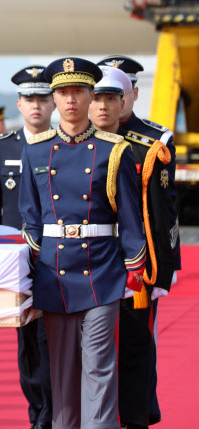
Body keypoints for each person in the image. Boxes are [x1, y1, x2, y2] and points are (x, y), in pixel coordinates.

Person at [19, 57, 147, 429]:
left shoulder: (114, 150)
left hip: (102, 271)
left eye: (78, 91)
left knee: (99, 368)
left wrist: (134, 267)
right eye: (62, 92)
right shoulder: (36, 151)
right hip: (54, 272)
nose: (70, 100)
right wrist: (30, 268)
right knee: (60, 372)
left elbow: (130, 219)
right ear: (54, 98)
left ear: (92, 96)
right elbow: (30, 219)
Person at [97, 55, 181, 429]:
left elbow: (165, 210)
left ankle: (138, 415)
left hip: (138, 263)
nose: (112, 100)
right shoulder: (81, 135)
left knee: (136, 345)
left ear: (131, 93)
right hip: (91, 258)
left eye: (120, 90)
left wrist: (165, 267)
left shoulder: (153, 141)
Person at [0, 65, 55, 429]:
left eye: (43, 98)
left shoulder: (66, 146)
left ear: (53, 103)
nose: (36, 105)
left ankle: (58, 411)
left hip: (60, 259)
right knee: (28, 341)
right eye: (29, 99)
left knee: (57, 338)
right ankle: (38, 411)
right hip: (18, 263)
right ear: (19, 104)